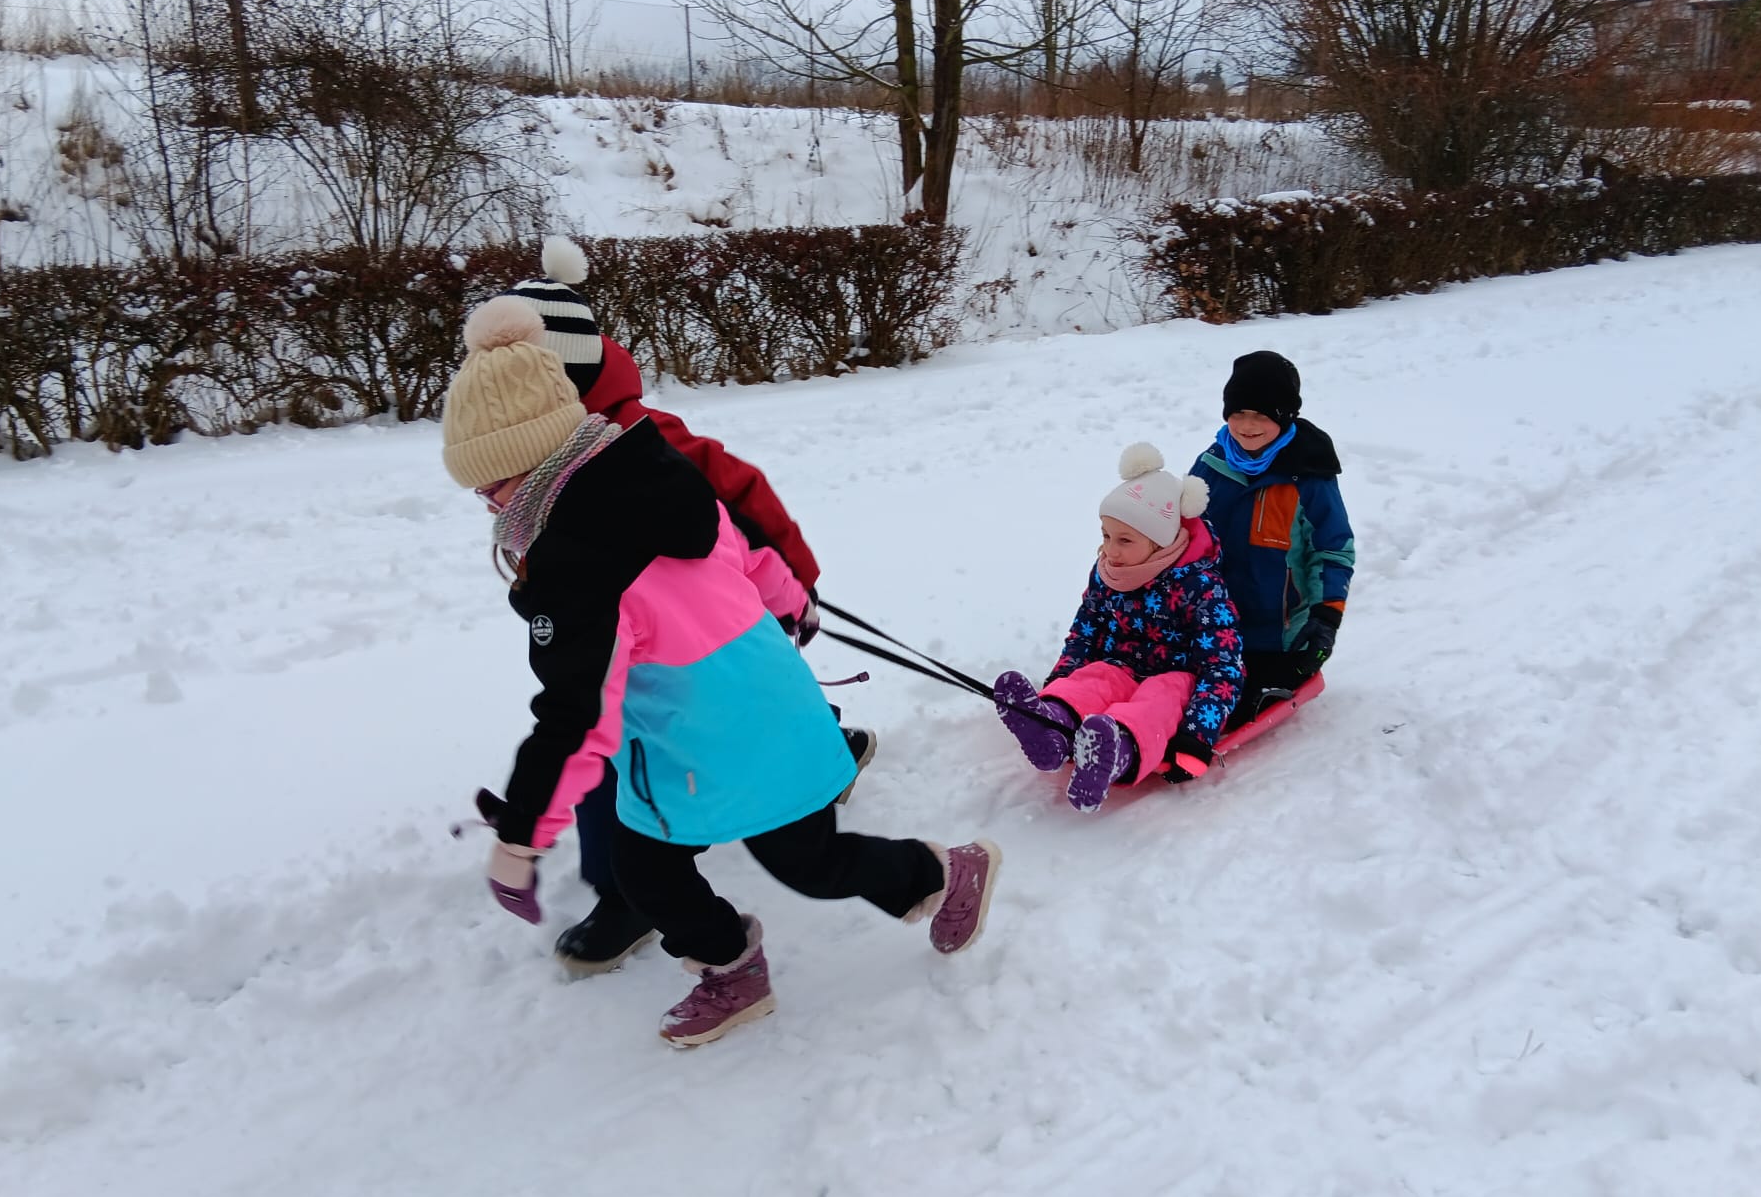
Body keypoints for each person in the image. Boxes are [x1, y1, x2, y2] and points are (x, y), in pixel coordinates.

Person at [445, 294, 1002, 1048]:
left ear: (538, 461)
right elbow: (753, 555)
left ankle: (939, 877)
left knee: (798, 866)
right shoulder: (657, 480)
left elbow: (577, 719)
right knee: (659, 868)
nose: (486, 506)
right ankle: (735, 962)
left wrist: (520, 839)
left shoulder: (580, 573)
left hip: (724, 745)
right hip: (742, 725)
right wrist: (793, 606)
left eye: (491, 485)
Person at [504, 237, 872, 976]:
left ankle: (629, 894)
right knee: (675, 720)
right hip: (640, 636)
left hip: (721, 618)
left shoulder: (642, 439)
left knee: (629, 739)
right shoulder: (534, 454)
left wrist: (795, 587)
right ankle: (816, 747)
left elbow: (745, 498)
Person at [992, 445, 1245, 812]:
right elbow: (1085, 633)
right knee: (1096, 677)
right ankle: (1050, 728)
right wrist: (1060, 681)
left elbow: (1223, 666)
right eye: (1106, 536)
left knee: (1156, 701)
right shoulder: (1108, 574)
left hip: (1179, 678)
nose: (1110, 550)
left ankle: (1114, 752)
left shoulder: (1200, 586)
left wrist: (1197, 735)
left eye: (1125, 540)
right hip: (1122, 666)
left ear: (1160, 542)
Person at [1185, 352, 1355, 723]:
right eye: (1238, 413)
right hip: (1213, 625)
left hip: (1277, 637)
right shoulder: (1211, 464)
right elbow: (1184, 534)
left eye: (1261, 415)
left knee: (1237, 704)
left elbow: (1333, 550)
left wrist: (1326, 619)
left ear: (1284, 415)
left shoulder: (1309, 477)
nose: (1247, 426)